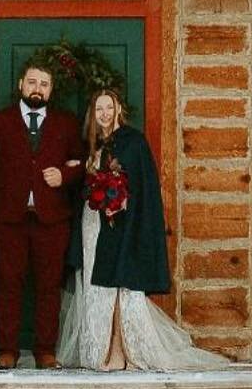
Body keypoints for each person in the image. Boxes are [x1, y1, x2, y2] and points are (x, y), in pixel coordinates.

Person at [58, 89, 222, 371]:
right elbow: (89, 183)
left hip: (121, 225)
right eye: (99, 110)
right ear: (93, 114)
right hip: (93, 224)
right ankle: (104, 350)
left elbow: (140, 185)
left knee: (119, 287)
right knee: (98, 287)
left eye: (109, 108)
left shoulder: (133, 141)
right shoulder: (94, 144)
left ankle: (124, 352)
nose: (105, 114)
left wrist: (120, 203)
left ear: (118, 108)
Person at [0, 61, 83, 369]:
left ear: (51, 90)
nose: (37, 89)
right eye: (32, 82)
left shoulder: (66, 123)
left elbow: (81, 165)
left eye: (44, 84)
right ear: (21, 84)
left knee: (49, 286)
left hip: (52, 220)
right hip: (9, 219)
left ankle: (45, 351)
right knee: (9, 283)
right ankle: (7, 350)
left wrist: (63, 175)